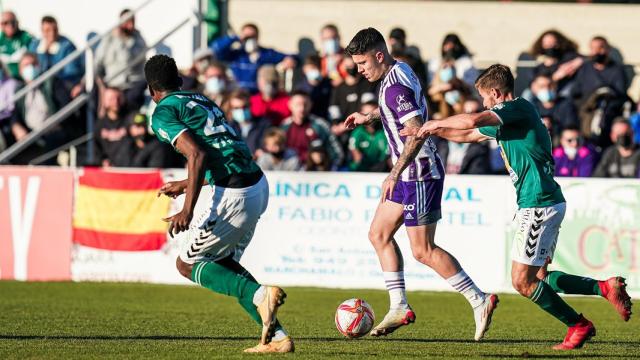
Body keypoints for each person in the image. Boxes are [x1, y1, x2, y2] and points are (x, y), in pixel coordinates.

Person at [402, 64, 632, 350]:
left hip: (538, 203)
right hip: (543, 201)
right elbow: (469, 134)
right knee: (539, 278)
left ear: (497, 94)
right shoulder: (507, 120)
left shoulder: (518, 108)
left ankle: (579, 325)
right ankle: (603, 287)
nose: (485, 102)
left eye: (486, 97)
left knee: (522, 282)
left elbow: (474, 119)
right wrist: (429, 133)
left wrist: (433, 123)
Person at [343, 27, 497, 340]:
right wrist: (368, 117)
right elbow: (397, 111)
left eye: (362, 63)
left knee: (423, 250)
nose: (358, 70)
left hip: (419, 173)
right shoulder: (399, 70)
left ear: (379, 55)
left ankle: (478, 299)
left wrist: (394, 172)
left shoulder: (392, 88)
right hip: (409, 174)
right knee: (378, 233)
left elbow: (415, 129)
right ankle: (399, 305)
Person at [144, 54, 293, 353]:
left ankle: (260, 294)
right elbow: (221, 154)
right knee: (224, 264)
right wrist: (186, 185)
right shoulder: (202, 100)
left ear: (151, 90)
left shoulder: (163, 112)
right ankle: (277, 339)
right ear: (181, 80)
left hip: (235, 194)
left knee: (187, 264)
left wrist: (187, 209)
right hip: (256, 184)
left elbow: (197, 155)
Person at [211, 23, 295, 93]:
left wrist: (291, 60)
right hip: (238, 94)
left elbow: (293, 57)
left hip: (259, 96)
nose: (250, 40)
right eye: (247, 37)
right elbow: (216, 50)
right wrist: (235, 38)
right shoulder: (235, 54)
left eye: (252, 37)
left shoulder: (266, 54)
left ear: (257, 37)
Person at [93, 9, 147, 111]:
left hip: (132, 83)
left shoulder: (139, 40)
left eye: (132, 21)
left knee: (128, 99)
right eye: (127, 21)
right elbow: (98, 61)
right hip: (112, 84)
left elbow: (126, 61)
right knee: (94, 94)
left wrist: (119, 40)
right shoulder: (108, 39)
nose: (130, 25)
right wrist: (99, 81)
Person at [281, 90, 343, 169]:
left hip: (316, 173)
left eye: (305, 104)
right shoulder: (284, 127)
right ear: (290, 105)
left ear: (311, 105)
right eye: (298, 104)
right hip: (290, 173)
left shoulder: (320, 125)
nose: (302, 108)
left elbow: (336, 153)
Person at [29, 16, 83, 86]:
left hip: (61, 84)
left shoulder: (67, 46)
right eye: (48, 30)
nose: (52, 34)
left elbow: (72, 71)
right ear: (42, 31)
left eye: (55, 30)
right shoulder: (35, 46)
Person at [528, 30, 583, 94]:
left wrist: (570, 66)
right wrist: (555, 77)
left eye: (553, 43)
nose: (550, 46)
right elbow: (534, 85)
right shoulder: (539, 66)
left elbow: (582, 59)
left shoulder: (566, 58)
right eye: (547, 44)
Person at [529, 73, 579, 139]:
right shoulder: (531, 106)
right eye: (542, 86)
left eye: (550, 85)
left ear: (555, 85)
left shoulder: (566, 104)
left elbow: (571, 130)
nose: (546, 89)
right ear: (534, 88)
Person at [94, 87, 133, 167]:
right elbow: (96, 148)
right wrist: (102, 161)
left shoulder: (130, 119)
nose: (116, 102)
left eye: (118, 98)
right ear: (105, 101)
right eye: (111, 99)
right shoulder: (100, 124)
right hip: (108, 170)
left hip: (128, 167)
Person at [222, 89, 269, 154]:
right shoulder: (227, 128)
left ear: (250, 105)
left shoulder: (264, 125)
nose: (241, 111)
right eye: (236, 108)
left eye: (244, 107)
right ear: (231, 109)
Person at [348, 101, 389, 172]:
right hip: (360, 170)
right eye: (366, 114)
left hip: (379, 169)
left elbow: (386, 155)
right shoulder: (357, 132)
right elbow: (357, 157)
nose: (369, 118)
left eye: (371, 114)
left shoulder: (383, 131)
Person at [0, 11, 32, 78]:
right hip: (5, 81)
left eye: (12, 22)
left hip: (24, 78)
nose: (10, 25)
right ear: (1, 25)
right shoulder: (1, 40)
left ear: (17, 22)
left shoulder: (26, 37)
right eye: (5, 23)